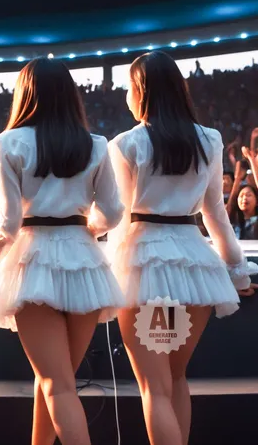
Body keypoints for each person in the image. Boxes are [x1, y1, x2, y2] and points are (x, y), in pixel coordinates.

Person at [0, 58, 125, 445]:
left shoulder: (6, 143)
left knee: (56, 383)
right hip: (85, 262)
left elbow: (8, 223)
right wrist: (85, 229)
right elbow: (114, 213)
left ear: (25, 93)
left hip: (32, 261)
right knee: (55, 379)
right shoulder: (97, 145)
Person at [107, 51, 257, 445]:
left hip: (146, 268)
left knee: (154, 388)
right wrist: (238, 273)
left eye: (128, 86)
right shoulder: (209, 139)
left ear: (141, 91)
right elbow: (215, 217)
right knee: (175, 379)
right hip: (193, 267)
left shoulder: (126, 144)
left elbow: (119, 217)